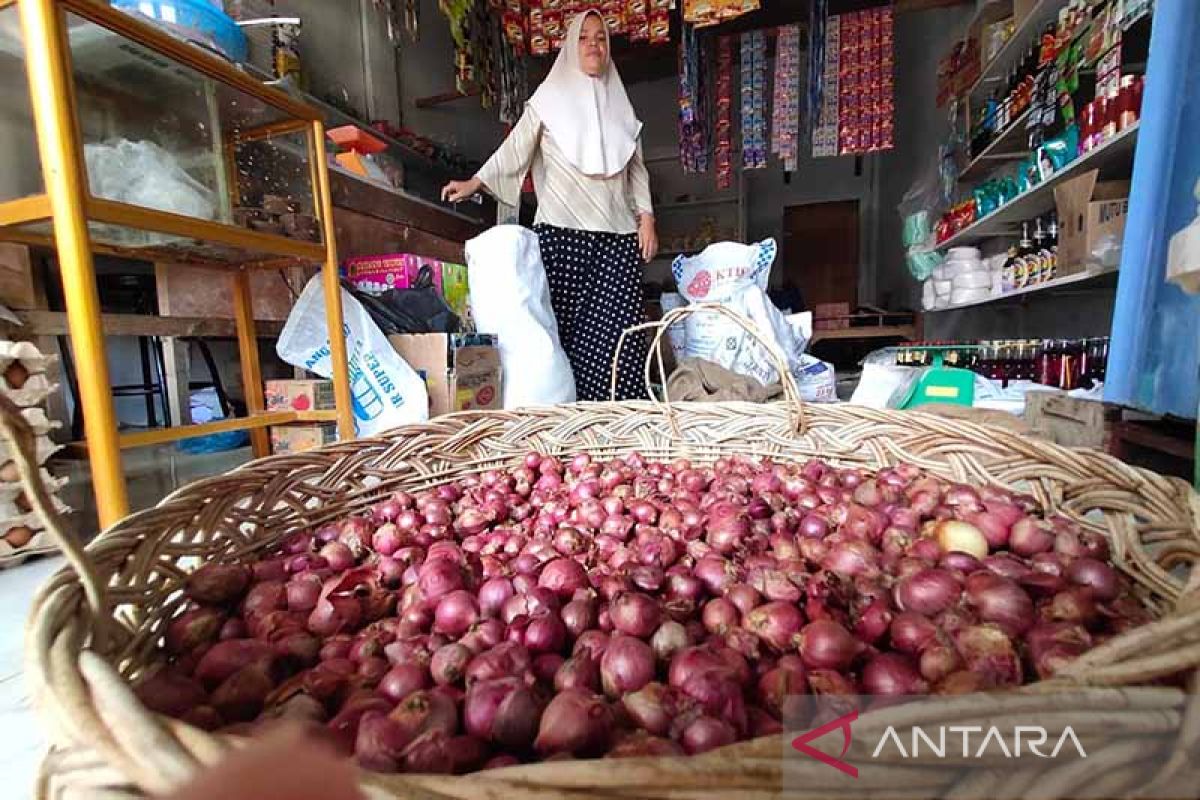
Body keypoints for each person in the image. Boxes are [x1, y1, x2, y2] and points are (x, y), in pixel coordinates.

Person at [442, 9, 657, 402]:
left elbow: (636, 169)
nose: (594, 45)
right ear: (571, 45)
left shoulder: (622, 108)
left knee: (618, 341)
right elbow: (515, 150)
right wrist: (476, 181)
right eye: (584, 37)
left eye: (601, 38)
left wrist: (647, 219)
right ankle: (569, 430)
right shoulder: (548, 101)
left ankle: (616, 429)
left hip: (617, 240)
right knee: (563, 339)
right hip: (562, 237)